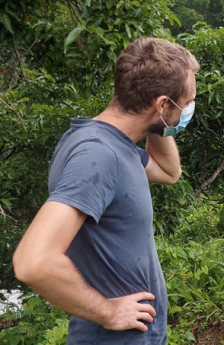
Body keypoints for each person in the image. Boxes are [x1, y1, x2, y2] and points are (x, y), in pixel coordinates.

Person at [13, 38, 198, 344]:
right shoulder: (98, 154)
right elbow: (33, 261)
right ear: (163, 103)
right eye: (187, 102)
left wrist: (160, 124)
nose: (189, 108)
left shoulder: (114, 145)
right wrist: (107, 311)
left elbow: (168, 172)